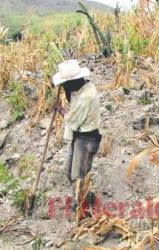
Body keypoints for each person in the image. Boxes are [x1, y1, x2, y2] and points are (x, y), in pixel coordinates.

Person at [52, 60, 102, 210]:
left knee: (77, 176)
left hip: (88, 137)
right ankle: (88, 197)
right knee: (68, 170)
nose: (65, 86)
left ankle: (83, 208)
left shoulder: (86, 96)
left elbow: (73, 120)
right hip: (78, 135)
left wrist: (60, 109)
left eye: (67, 83)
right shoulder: (79, 87)